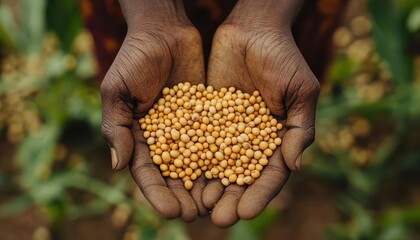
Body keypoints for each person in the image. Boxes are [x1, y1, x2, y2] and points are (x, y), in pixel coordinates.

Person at [100, 0, 320, 228]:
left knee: (282, 81)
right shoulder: (184, 134)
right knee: (137, 86)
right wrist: (153, 17)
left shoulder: (238, 133)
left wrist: (265, 15)